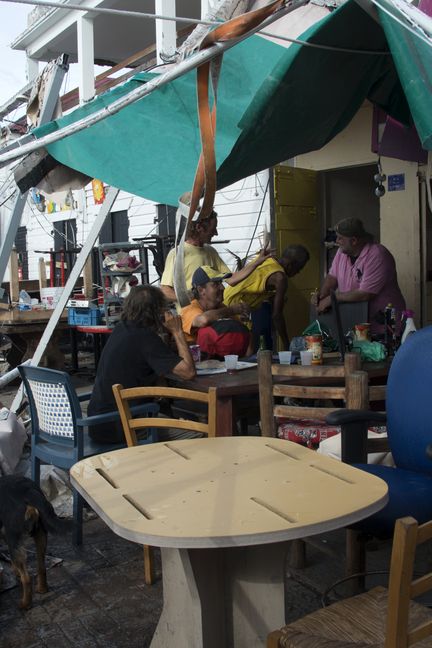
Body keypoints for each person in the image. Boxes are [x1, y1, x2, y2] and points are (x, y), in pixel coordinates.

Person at [87, 284, 195, 443]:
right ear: (157, 312)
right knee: (197, 434)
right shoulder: (145, 338)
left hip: (100, 423)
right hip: (122, 427)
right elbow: (188, 372)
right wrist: (177, 331)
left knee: (168, 413)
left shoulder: (121, 329)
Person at [160, 206, 272, 308]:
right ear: (199, 227)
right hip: (191, 320)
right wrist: (189, 297)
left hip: (212, 317)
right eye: (213, 228)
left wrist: (258, 261)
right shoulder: (177, 253)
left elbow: (232, 279)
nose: (216, 233)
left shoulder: (211, 251)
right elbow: (165, 291)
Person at [314, 217, 405, 335]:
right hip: (357, 323)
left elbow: (366, 294)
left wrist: (333, 298)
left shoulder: (378, 255)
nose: (337, 241)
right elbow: (332, 277)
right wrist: (322, 296)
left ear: (354, 241)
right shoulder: (342, 252)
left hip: (383, 324)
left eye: (340, 238)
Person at [222, 245, 310, 351]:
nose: (298, 272)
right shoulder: (280, 278)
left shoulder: (266, 259)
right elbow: (277, 315)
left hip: (225, 299)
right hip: (236, 309)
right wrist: (287, 345)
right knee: (243, 352)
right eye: (299, 269)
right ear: (290, 265)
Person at [180, 266, 251, 358]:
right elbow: (203, 320)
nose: (222, 288)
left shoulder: (220, 307)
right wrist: (233, 310)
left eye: (221, 283)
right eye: (215, 284)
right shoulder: (190, 308)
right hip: (195, 361)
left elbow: (242, 330)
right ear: (201, 290)